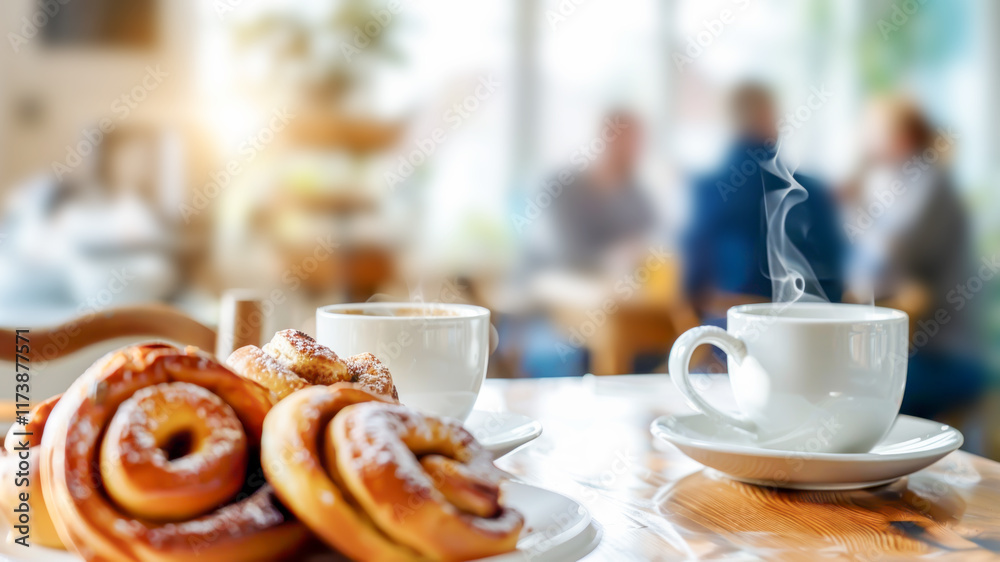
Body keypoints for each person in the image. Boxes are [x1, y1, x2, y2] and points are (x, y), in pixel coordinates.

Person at [843, 97, 985, 420]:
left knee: (862, 392)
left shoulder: (930, 183)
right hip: (918, 348)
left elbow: (896, 254)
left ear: (902, 137)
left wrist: (855, 207)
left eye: (875, 131)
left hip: (947, 354)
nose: (867, 141)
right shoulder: (901, 184)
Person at [683, 83, 846, 327]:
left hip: (732, 335)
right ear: (772, 118)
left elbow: (692, 284)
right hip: (813, 333)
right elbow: (837, 265)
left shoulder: (708, 190)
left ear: (730, 123)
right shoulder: (812, 191)